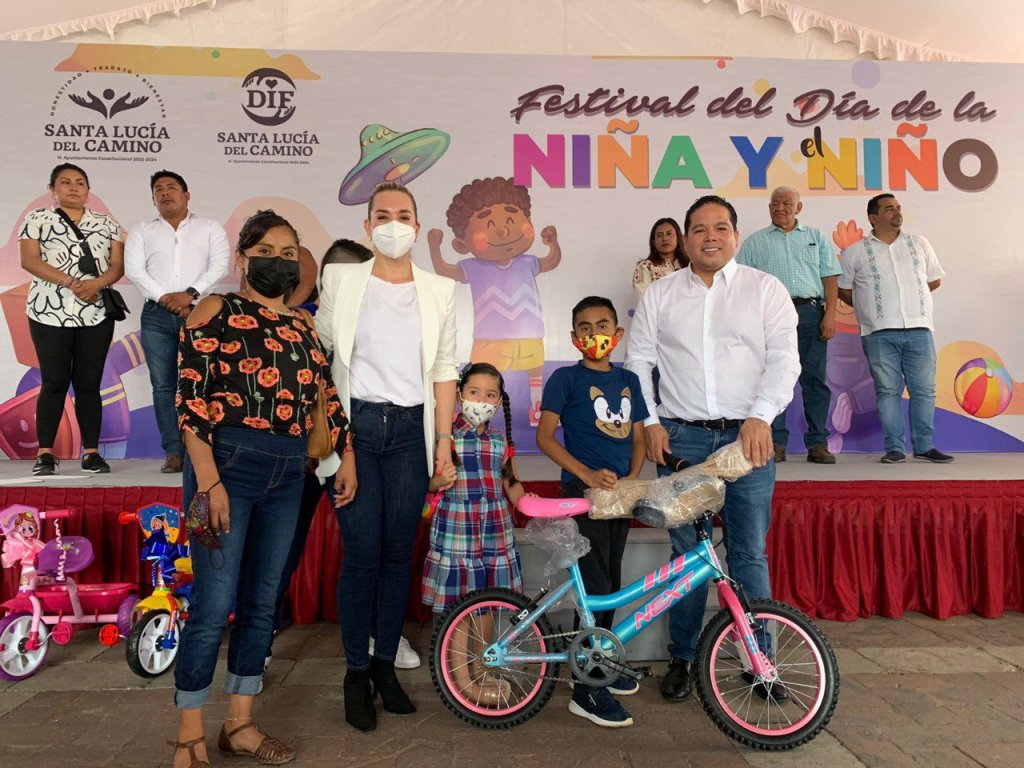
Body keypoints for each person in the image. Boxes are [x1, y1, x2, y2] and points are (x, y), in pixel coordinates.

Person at [170, 210, 353, 768]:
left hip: (287, 473)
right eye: (267, 251)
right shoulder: (215, 309)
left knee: (261, 602)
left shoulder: (303, 326)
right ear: (243, 258)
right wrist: (209, 485)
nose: (279, 261)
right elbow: (190, 401)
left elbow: (325, 397)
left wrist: (346, 454)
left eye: (289, 253)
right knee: (212, 603)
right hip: (223, 468)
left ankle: (240, 725)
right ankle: (189, 735)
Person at [625, 195, 799, 705]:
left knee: (747, 553)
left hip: (748, 439)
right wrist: (650, 423)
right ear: (685, 239)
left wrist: (761, 415)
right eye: (699, 229)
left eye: (720, 227)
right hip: (681, 439)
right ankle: (682, 657)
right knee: (686, 558)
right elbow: (637, 361)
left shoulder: (764, 289)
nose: (710, 237)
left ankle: (758, 661)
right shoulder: (661, 294)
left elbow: (785, 360)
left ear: (736, 235)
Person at [316, 182, 458, 732]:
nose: (392, 224)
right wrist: (342, 444)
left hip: (409, 434)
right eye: (382, 215)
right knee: (362, 554)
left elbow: (443, 369)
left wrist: (442, 444)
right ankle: (355, 673)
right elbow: (321, 361)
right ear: (367, 225)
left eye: (403, 215)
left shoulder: (440, 290)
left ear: (417, 226)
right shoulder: (342, 279)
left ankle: (383, 667)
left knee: (399, 554)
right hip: (354, 430)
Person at [537, 296, 648, 728]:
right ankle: (586, 689)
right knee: (596, 587)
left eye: (602, 326)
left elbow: (638, 438)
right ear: (573, 337)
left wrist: (632, 478)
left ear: (617, 334)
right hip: (583, 496)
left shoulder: (629, 379)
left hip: (618, 499)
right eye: (584, 327)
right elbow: (546, 437)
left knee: (611, 585)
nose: (594, 334)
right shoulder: (564, 378)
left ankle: (600, 662)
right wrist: (585, 474)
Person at [421, 363, 527, 703]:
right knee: (460, 605)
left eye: (490, 395)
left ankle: (483, 667)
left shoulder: (499, 440)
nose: (481, 401)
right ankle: (462, 680)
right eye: (474, 392)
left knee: (488, 603)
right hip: (458, 529)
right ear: (459, 394)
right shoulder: (444, 438)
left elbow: (510, 481)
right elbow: (424, 484)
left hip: (495, 529)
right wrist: (437, 482)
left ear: (499, 401)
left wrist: (531, 506)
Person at [19, 163, 125, 476]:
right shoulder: (38, 219)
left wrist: (96, 284)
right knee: (54, 382)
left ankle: (91, 453)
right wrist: (71, 282)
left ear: (88, 190)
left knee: (89, 384)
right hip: (48, 311)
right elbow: (29, 260)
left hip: (95, 312)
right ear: (52, 189)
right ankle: (45, 454)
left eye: (80, 182)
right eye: (65, 182)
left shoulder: (107, 223)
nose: (74, 187)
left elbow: (117, 266)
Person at [428, 176, 560, 426]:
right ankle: (465, 413)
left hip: (529, 333)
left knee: (534, 369)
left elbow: (551, 261)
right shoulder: (472, 266)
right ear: (461, 244)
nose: (503, 231)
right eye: (488, 224)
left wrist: (553, 244)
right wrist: (434, 247)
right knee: (477, 376)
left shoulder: (528, 262)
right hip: (488, 336)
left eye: (511, 220)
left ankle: (536, 407)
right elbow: (444, 270)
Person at [125, 170, 229, 474]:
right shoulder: (142, 230)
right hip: (157, 316)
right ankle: (174, 452)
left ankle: (206, 451)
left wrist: (190, 295)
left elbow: (220, 266)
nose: (165, 193)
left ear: (186, 195)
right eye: (158, 189)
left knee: (206, 382)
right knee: (163, 386)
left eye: (171, 187)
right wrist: (167, 299)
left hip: (201, 312)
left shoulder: (210, 228)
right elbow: (134, 271)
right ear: (153, 198)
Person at [837, 194, 952, 464]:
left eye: (898, 207)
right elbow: (843, 289)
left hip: (919, 329)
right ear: (873, 218)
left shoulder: (919, 243)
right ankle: (895, 449)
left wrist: (911, 300)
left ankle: (924, 446)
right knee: (888, 391)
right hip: (878, 332)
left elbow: (933, 280)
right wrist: (870, 307)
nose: (897, 212)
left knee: (924, 390)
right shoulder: (855, 252)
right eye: (889, 209)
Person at [736, 186, 841, 464]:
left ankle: (818, 443)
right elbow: (742, 284)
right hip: (770, 318)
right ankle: (775, 444)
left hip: (811, 314)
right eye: (775, 203)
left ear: (799, 207)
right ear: (769, 207)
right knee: (773, 378)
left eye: (786, 203)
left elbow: (830, 279)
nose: (780, 208)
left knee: (815, 381)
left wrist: (830, 316)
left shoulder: (816, 237)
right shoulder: (755, 242)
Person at [632, 217, 687, 299]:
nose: (665, 238)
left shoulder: (689, 265)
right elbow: (644, 301)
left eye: (669, 234)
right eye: (659, 235)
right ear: (654, 242)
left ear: (678, 238)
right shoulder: (646, 267)